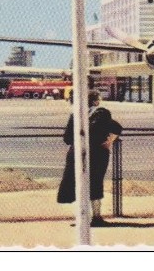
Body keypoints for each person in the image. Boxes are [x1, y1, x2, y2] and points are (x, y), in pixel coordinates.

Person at [57, 90, 123, 227]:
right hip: (97, 153)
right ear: (94, 100)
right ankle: (97, 217)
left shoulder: (75, 114)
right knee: (96, 183)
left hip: (76, 153)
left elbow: (67, 138)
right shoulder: (102, 113)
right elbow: (117, 127)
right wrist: (109, 141)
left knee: (78, 183)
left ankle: (82, 216)